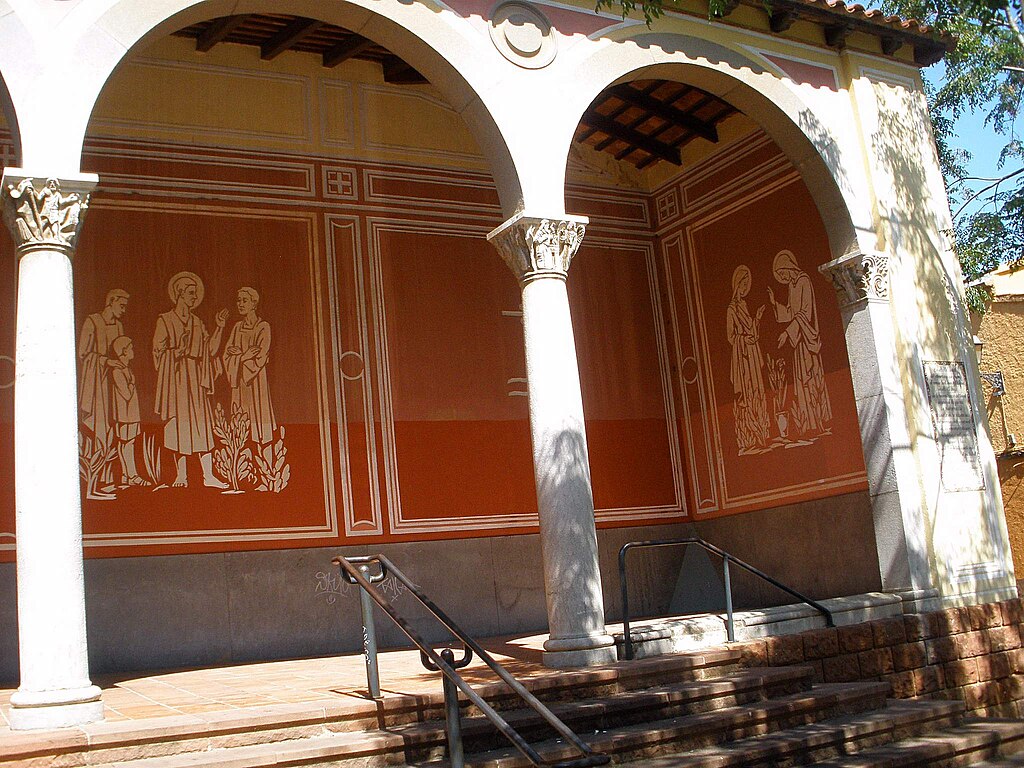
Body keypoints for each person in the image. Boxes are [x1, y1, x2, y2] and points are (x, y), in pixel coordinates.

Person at [153, 271, 229, 488]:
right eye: (191, 293)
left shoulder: (197, 322)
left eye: (196, 294)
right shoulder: (165, 321)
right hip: (176, 381)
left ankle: (209, 476)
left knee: (201, 426)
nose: (194, 298)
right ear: (179, 294)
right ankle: (181, 476)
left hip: (195, 380)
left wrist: (220, 327)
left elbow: (210, 350)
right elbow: (158, 353)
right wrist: (177, 351)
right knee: (178, 427)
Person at [768, 250, 832, 436]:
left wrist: (787, 333)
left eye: (783, 273)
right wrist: (774, 304)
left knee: (811, 380)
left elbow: (805, 313)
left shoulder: (803, 281)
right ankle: (809, 423)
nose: (783, 277)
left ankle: (818, 421)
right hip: (799, 343)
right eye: (780, 275)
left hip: (806, 340)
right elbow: (789, 312)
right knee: (801, 382)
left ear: (789, 267)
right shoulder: (792, 286)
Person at [223, 287, 277, 447]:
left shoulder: (263, 327)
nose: (239, 304)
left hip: (256, 380)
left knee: (258, 418)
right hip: (238, 381)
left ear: (254, 303)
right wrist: (245, 356)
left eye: (244, 300)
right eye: (238, 300)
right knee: (240, 419)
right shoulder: (237, 327)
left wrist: (239, 357)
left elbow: (261, 355)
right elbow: (227, 355)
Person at [726, 265, 770, 452]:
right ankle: (749, 435)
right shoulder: (732, 309)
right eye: (742, 284)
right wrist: (744, 339)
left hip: (752, 353)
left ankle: (762, 432)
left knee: (758, 390)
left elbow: (752, 331)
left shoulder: (744, 305)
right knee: (747, 392)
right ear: (737, 285)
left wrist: (757, 319)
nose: (745, 288)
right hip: (742, 356)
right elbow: (731, 336)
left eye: (747, 284)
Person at [78, 289, 128, 450]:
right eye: (121, 305)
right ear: (111, 302)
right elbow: (83, 354)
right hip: (97, 380)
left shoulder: (119, 325)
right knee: (100, 417)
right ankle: (98, 452)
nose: (123, 310)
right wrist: (106, 361)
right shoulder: (93, 321)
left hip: (114, 379)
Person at [109, 335, 147, 487]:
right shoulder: (117, 371)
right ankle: (132, 475)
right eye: (130, 348)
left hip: (130, 414)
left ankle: (127, 476)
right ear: (123, 351)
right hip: (124, 415)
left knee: (127, 443)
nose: (133, 350)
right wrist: (132, 383)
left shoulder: (126, 369)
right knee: (127, 444)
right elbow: (126, 394)